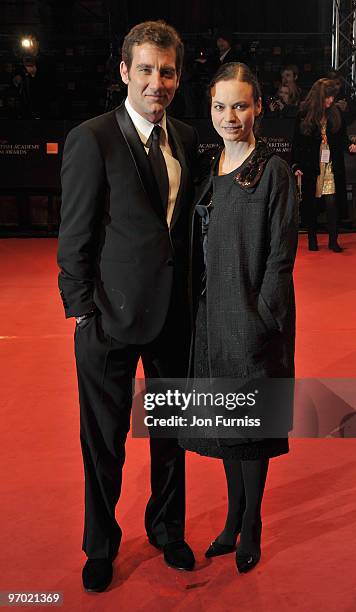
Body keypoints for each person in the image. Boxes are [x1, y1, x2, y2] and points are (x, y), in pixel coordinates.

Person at [57, 20, 198, 593]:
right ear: (124, 72)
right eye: (145, 69)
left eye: (166, 72)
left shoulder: (187, 137)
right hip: (108, 323)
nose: (156, 82)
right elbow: (74, 237)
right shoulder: (92, 138)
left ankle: (167, 530)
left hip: (173, 319)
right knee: (103, 445)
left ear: (178, 76)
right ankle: (101, 544)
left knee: (171, 437)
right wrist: (84, 312)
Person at [179, 62, 298, 573]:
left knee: (253, 430)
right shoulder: (212, 169)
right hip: (213, 319)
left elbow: (280, 257)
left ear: (258, 109)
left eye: (241, 106)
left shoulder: (270, 171)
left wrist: (263, 316)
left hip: (253, 321)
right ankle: (232, 520)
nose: (230, 117)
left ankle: (252, 525)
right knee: (230, 427)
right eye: (220, 107)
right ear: (210, 110)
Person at [292, 78, 356, 252]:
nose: (330, 101)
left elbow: (342, 136)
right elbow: (297, 142)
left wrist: (349, 145)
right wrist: (296, 164)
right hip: (311, 165)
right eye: (327, 97)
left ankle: (333, 240)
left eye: (332, 97)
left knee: (332, 202)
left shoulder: (335, 113)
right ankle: (312, 239)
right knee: (311, 203)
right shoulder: (304, 113)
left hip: (331, 165)